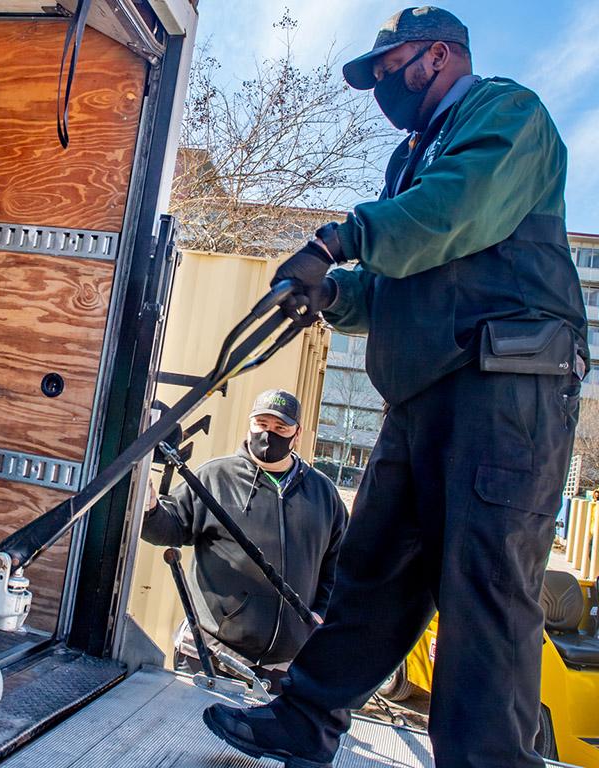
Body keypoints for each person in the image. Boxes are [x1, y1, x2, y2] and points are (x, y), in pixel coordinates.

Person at [203, 7, 588, 768]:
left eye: (390, 66)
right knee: (373, 575)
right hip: (424, 394)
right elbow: (392, 283)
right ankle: (306, 719)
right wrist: (334, 294)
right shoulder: (407, 163)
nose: (382, 84)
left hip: (507, 390)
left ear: (440, 54)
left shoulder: (504, 114)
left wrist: (336, 240)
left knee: (483, 590)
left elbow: (454, 211)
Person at [142, 389, 347, 692]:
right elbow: (170, 527)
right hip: (210, 655)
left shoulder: (323, 493)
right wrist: (148, 508)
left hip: (285, 667)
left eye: (280, 428)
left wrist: (322, 612)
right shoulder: (215, 477)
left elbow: (340, 562)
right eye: (262, 424)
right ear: (249, 423)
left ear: (297, 434)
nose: (268, 435)